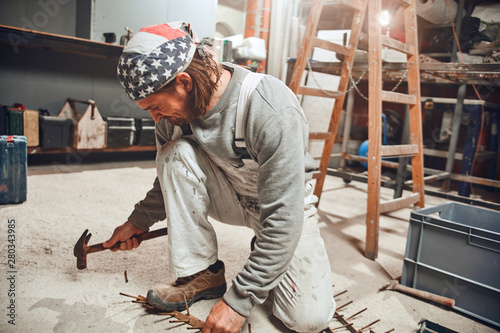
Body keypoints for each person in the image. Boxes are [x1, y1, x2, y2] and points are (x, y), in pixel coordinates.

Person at [103, 22, 335, 333]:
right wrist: (138, 221)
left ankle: (268, 254)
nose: (155, 118)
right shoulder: (172, 121)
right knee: (174, 152)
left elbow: (284, 216)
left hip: (283, 209)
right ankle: (203, 274)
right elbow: (170, 178)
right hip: (232, 197)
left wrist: (240, 299)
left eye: (156, 107)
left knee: (308, 320)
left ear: (183, 81)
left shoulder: (268, 107)